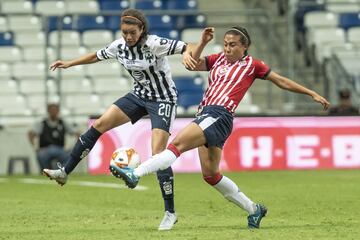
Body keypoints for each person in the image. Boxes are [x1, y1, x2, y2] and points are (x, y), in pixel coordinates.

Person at [110, 26, 331, 229]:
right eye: (225, 44)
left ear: (245, 47)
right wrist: (203, 42)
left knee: (176, 145)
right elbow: (192, 63)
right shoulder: (217, 60)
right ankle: (254, 210)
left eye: (233, 45)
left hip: (219, 114)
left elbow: (281, 81)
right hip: (207, 115)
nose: (227, 48)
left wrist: (311, 93)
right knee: (211, 175)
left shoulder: (253, 65)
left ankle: (135, 173)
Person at [43, 9, 195, 230]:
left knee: (159, 154)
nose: (128, 37)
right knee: (99, 125)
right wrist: (69, 63)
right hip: (138, 96)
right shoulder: (119, 46)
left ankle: (170, 213)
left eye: (132, 32)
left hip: (163, 100)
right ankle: (65, 172)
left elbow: (187, 46)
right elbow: (96, 55)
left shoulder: (154, 43)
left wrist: (186, 54)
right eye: (125, 32)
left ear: (142, 30)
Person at [28, 103, 80, 173]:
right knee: (41, 156)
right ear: (48, 111)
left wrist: (75, 147)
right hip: (46, 149)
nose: (53, 112)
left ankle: (62, 172)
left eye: (55, 110)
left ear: (58, 111)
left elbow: (77, 133)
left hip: (60, 149)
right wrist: (35, 147)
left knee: (69, 156)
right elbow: (30, 133)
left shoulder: (63, 122)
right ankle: (46, 172)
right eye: (51, 110)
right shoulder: (42, 123)